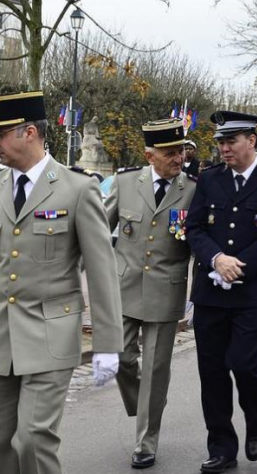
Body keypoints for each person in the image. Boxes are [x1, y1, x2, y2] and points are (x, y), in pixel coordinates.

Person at [0, 91, 123, 474]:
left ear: (29, 133)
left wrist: (108, 343)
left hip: (50, 335)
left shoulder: (77, 190)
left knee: (33, 439)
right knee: (1, 442)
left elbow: (102, 270)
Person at [184, 111, 257, 473]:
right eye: (220, 142)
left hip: (253, 290)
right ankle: (221, 446)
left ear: (251, 140)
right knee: (212, 370)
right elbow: (195, 228)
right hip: (212, 290)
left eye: (231, 141)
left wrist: (239, 265)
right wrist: (217, 259)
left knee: (244, 362)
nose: (224, 149)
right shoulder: (210, 179)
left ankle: (256, 422)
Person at [104, 119, 196, 469]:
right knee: (119, 357)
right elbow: (100, 230)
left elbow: (199, 242)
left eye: (181, 151)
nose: (179, 158)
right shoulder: (127, 183)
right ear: (149, 155)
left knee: (157, 371)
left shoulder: (193, 190)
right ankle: (146, 399)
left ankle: (146, 442)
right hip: (123, 286)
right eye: (170, 153)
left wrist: (198, 295)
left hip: (165, 291)